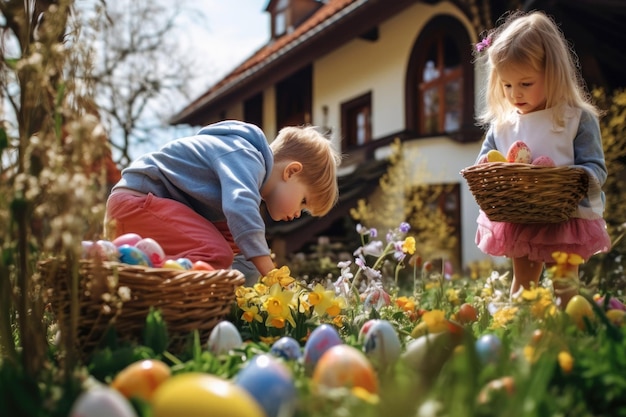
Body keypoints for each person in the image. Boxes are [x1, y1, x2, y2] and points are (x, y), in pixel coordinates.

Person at [472, 11, 611, 306]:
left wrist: (568, 180)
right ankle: (521, 335)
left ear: (553, 73)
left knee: (565, 286)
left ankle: (570, 334)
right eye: (507, 85)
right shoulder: (503, 125)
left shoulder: (574, 119)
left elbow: (595, 168)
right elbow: (485, 162)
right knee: (523, 285)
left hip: (565, 217)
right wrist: (488, 167)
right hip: (521, 218)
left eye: (525, 83)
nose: (515, 94)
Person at [104, 120, 340, 283]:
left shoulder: (246, 175)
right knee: (215, 252)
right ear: (291, 172)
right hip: (137, 202)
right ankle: (155, 289)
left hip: (148, 211)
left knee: (236, 257)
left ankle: (228, 310)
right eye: (303, 202)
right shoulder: (245, 156)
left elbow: (238, 241)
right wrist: (271, 273)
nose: (298, 213)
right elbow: (240, 207)